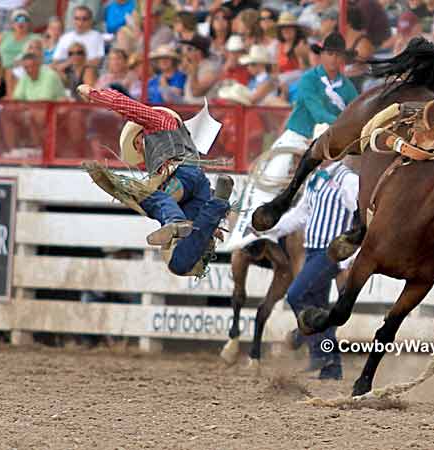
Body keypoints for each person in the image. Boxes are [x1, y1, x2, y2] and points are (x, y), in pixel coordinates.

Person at [77, 84, 234, 276]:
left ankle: (175, 220)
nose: (140, 151)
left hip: (180, 175)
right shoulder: (184, 139)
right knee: (178, 264)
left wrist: (94, 94)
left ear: (139, 134)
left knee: (146, 195)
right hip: (198, 184)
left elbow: (126, 105)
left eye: (137, 145)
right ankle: (216, 206)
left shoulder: (159, 121)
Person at [226, 31, 358, 250]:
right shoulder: (309, 79)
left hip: (333, 144)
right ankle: (254, 226)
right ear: (322, 55)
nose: (334, 59)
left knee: (350, 179)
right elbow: (316, 111)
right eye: (330, 54)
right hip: (300, 135)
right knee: (272, 174)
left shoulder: (348, 88)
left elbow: (352, 113)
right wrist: (341, 126)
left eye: (338, 55)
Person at [258, 158, 360, 379]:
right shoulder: (315, 178)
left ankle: (318, 351)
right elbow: (300, 214)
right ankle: (332, 368)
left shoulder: (348, 180)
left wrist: (348, 256)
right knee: (319, 307)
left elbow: (359, 216)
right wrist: (271, 230)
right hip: (313, 250)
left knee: (296, 295)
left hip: (331, 252)